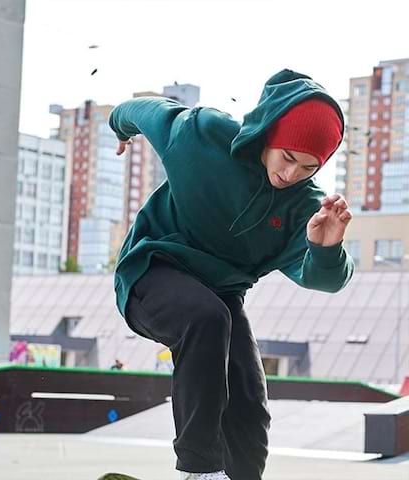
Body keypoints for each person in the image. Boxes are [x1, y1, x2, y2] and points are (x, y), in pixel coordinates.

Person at [108, 69, 354, 480]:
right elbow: (144, 110)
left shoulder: (303, 207)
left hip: (222, 293)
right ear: (268, 134)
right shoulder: (202, 137)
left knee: (249, 399)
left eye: (308, 167)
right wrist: (119, 125)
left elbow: (325, 279)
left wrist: (326, 249)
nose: (291, 175)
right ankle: (199, 470)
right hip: (150, 273)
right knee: (206, 318)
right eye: (287, 157)